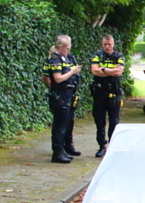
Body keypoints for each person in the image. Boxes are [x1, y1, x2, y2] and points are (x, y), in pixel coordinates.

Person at [43, 35, 82, 164]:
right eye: (67, 48)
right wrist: (72, 72)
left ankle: (64, 149)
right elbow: (57, 78)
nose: (68, 51)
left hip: (68, 94)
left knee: (66, 123)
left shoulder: (66, 59)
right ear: (60, 47)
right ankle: (57, 152)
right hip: (60, 95)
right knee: (59, 125)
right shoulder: (55, 60)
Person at [89, 34, 125, 158]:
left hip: (114, 92)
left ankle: (112, 145)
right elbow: (94, 70)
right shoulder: (97, 55)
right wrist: (110, 71)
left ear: (113, 44)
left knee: (114, 121)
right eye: (105, 44)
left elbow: (118, 71)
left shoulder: (119, 56)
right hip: (99, 92)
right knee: (99, 120)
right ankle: (101, 146)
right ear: (102, 44)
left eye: (109, 44)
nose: (107, 46)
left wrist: (103, 69)